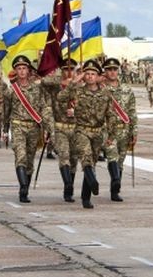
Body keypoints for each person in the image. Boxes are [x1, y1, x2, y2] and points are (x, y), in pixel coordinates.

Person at [58, 59, 116, 209]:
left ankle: (86, 197)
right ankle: (94, 182)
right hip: (81, 130)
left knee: (92, 162)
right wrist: (73, 83)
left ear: (98, 76)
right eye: (87, 74)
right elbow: (61, 98)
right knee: (86, 158)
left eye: (93, 74)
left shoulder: (105, 94)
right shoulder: (78, 91)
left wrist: (111, 135)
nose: (90, 76)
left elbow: (111, 115)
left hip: (97, 132)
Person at [3, 55, 53, 203]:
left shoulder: (37, 89)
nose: (22, 71)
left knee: (30, 161)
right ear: (15, 71)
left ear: (29, 70)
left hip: (34, 127)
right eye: (19, 68)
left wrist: (48, 128)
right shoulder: (11, 91)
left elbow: (44, 108)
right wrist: (5, 130)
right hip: (17, 125)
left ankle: (24, 189)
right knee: (21, 157)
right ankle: (23, 186)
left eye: (24, 68)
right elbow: (7, 111)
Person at [41, 58, 81, 202]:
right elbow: (43, 81)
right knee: (64, 156)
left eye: (72, 69)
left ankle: (68, 189)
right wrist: (62, 82)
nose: (69, 72)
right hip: (60, 127)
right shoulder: (56, 85)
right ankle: (68, 185)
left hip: (76, 128)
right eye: (65, 69)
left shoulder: (81, 86)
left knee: (74, 160)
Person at [102, 57, 138, 202]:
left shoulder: (127, 89)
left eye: (114, 69)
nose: (112, 72)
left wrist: (134, 131)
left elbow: (132, 111)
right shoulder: (101, 89)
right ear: (105, 71)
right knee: (112, 155)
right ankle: (116, 179)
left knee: (120, 161)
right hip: (107, 130)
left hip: (124, 129)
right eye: (109, 69)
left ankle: (115, 190)